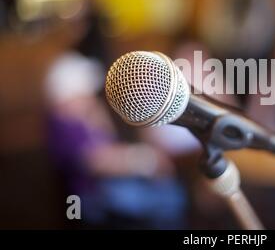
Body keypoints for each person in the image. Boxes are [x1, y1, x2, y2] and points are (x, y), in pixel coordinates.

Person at [45, 51, 187, 229]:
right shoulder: (63, 124)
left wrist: (94, 117)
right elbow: (95, 161)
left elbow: (109, 141)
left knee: (168, 190)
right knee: (167, 199)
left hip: (111, 185)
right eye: (84, 93)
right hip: (93, 196)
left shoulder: (83, 116)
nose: (90, 98)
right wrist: (145, 160)